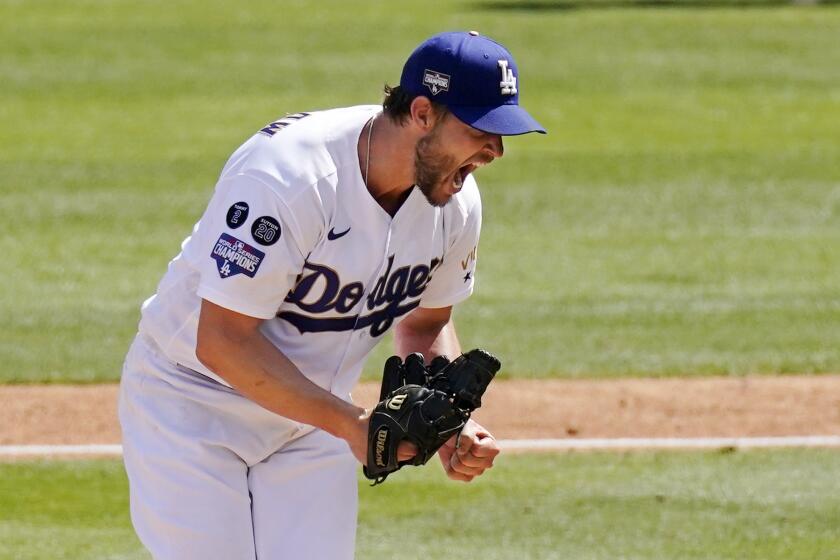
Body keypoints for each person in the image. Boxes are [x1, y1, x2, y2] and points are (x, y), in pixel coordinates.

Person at [119, 30, 545, 559]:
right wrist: (353, 425)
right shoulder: (290, 178)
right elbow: (223, 341)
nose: (496, 150)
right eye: (481, 129)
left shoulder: (455, 202)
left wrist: (448, 422)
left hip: (314, 418)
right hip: (192, 405)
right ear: (422, 113)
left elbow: (425, 323)